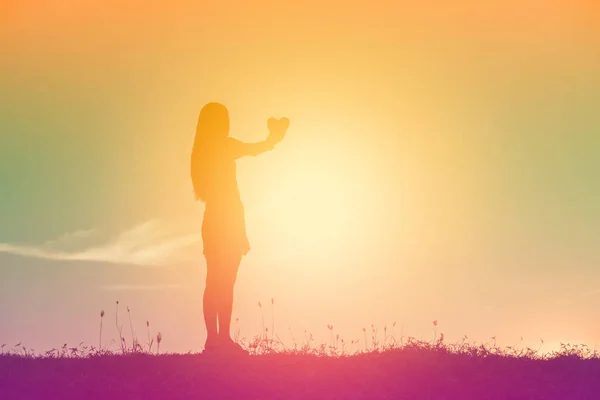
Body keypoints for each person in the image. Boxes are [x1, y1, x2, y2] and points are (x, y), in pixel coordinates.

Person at [190, 102, 289, 354]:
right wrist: (274, 138)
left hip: (215, 220)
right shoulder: (224, 146)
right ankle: (220, 339)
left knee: (215, 281)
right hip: (228, 220)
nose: (227, 124)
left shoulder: (200, 153)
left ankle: (215, 339)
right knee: (224, 282)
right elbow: (255, 149)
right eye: (224, 120)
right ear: (217, 123)